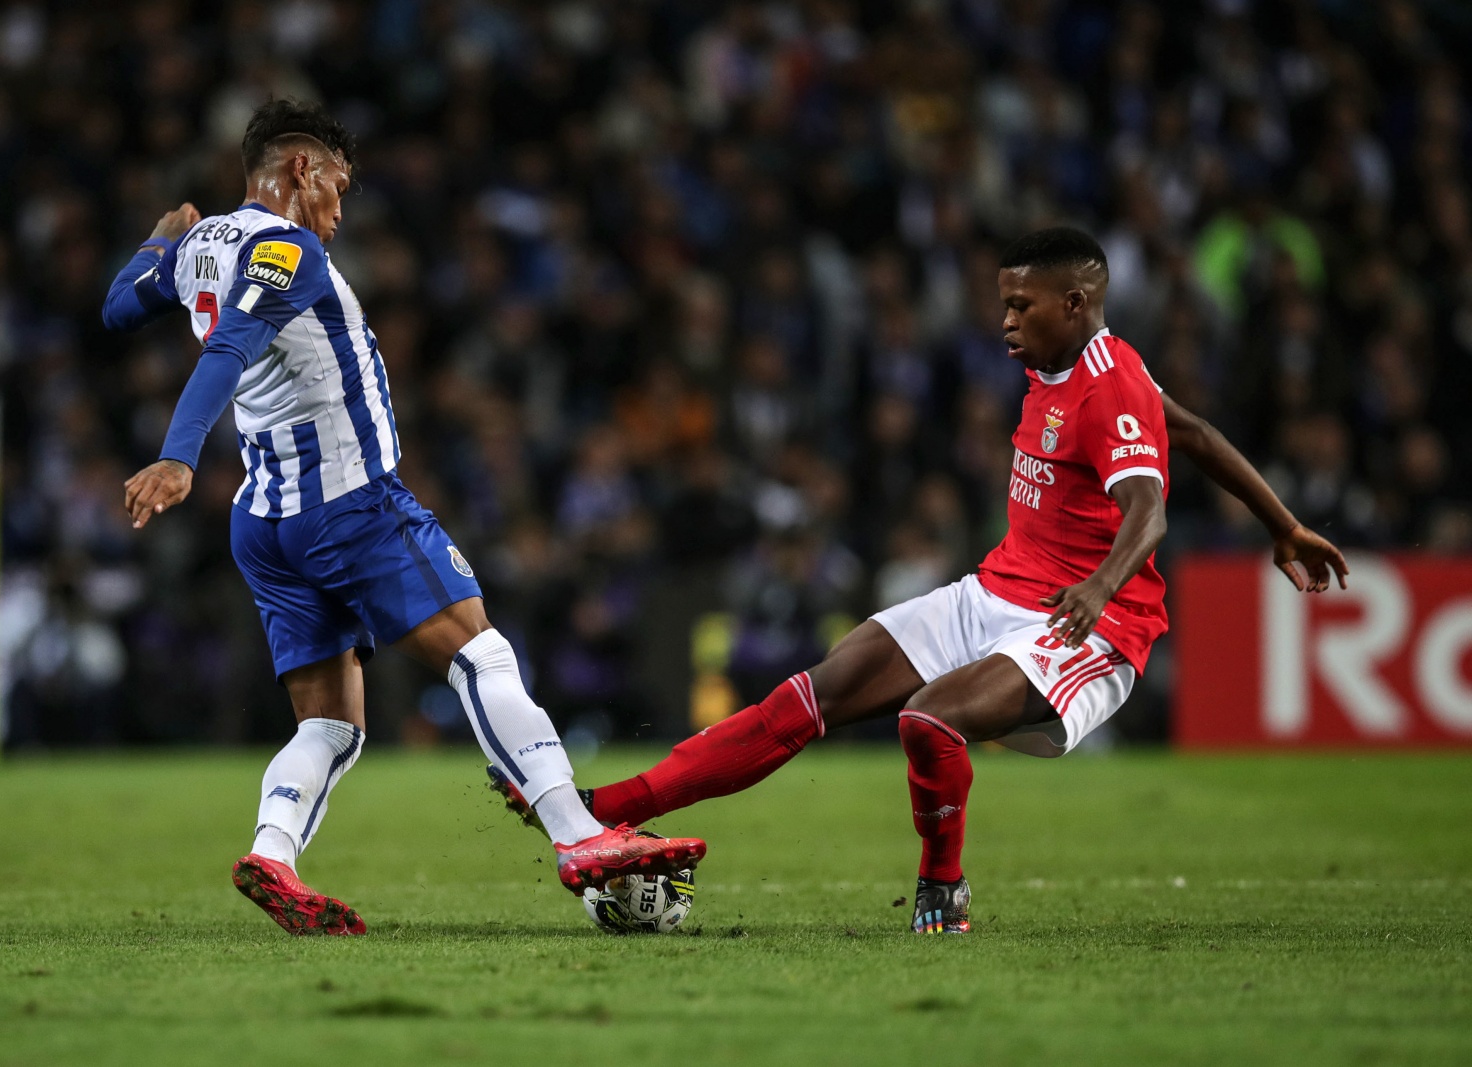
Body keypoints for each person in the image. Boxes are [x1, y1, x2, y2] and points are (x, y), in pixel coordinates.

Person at [490, 227, 1348, 935]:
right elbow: (1189, 428)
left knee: (927, 721)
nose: (1006, 319)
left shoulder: (1107, 382)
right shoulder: (1079, 365)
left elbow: (1150, 507)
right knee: (806, 697)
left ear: (1076, 304)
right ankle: (603, 812)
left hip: (1090, 623)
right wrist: (1284, 525)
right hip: (996, 593)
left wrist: (1097, 588)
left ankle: (945, 888)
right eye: (1003, 301)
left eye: (1023, 304)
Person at [101, 99, 704, 936]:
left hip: (264, 524)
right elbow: (231, 346)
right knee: (482, 654)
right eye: (339, 186)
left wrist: (159, 242)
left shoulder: (201, 247)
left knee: (330, 723)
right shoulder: (286, 247)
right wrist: (177, 454)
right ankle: (579, 838)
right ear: (302, 170)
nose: (341, 211)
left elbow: (119, 308)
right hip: (350, 506)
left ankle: (273, 852)